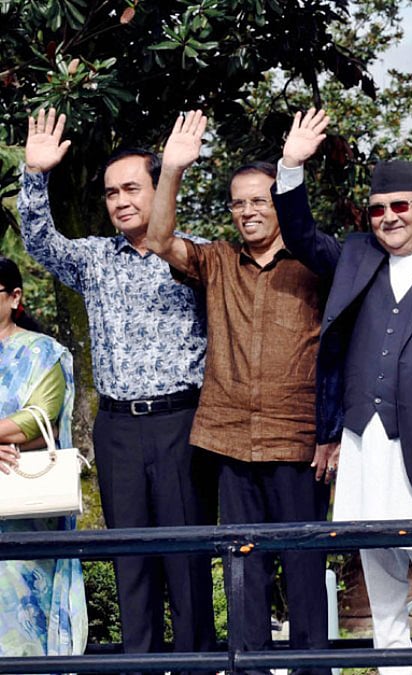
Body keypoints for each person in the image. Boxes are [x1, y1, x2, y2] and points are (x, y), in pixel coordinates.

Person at [273, 109, 412, 675]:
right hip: (366, 446)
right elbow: (298, 235)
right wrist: (291, 164)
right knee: (381, 579)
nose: (389, 218)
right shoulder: (355, 257)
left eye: (401, 206)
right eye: (378, 208)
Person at [18, 109, 216, 666]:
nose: (121, 200)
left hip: (182, 423)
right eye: (111, 193)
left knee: (188, 563)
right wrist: (35, 176)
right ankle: (140, 664)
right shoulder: (94, 260)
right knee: (132, 564)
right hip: (118, 429)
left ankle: (197, 665)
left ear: (160, 186)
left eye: (132, 187)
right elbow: (39, 242)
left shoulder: (196, 254)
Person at [144, 111, 331, 675]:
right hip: (228, 439)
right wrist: (171, 170)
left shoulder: (313, 263)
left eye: (260, 200)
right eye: (238, 202)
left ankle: (311, 669)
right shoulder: (217, 260)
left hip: (295, 440)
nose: (248, 211)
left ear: (282, 203)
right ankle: (248, 668)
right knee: (244, 570)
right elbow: (157, 238)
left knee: (303, 568)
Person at [0, 257, 87, 658]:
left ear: (15, 297)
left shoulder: (41, 352)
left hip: (25, 518)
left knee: (24, 636)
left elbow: (35, 422)